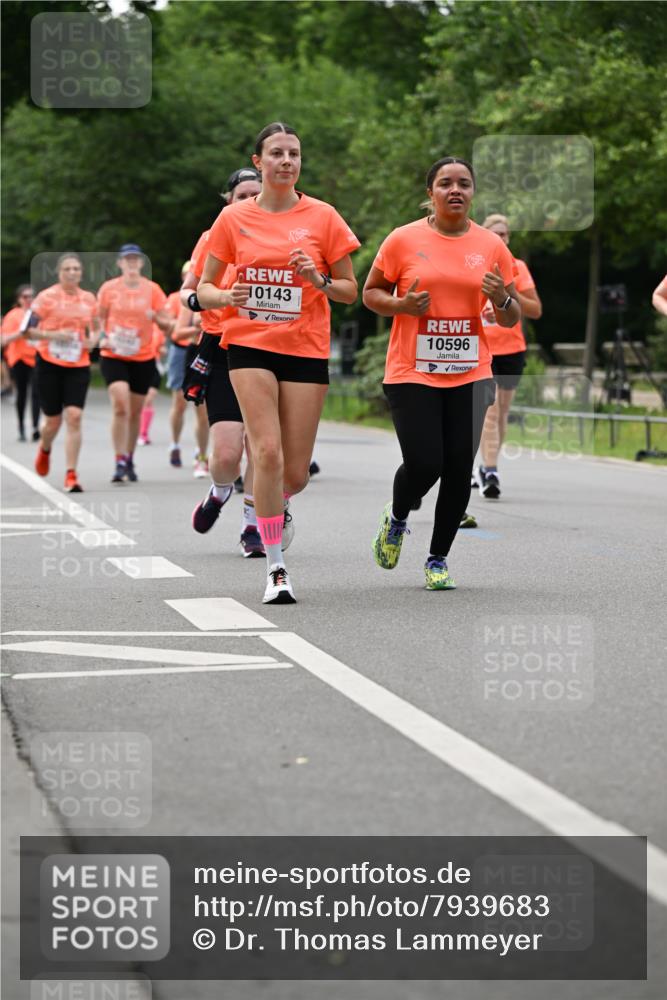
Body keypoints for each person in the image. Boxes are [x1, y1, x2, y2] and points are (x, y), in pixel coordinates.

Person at [198, 126, 360, 601]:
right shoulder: (234, 218)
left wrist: (318, 279)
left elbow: (350, 290)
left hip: (305, 348)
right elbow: (204, 288)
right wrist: (227, 296)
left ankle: (278, 502)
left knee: (294, 474)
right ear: (259, 160)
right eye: (276, 153)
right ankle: (275, 568)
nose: (286, 161)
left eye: (294, 154)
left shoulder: (323, 216)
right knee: (265, 452)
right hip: (249, 344)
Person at [363, 156, 520, 590]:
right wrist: (400, 305)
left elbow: (511, 316)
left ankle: (437, 559)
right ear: (430, 193)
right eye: (446, 183)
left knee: (457, 467)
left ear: (473, 193)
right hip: (412, 370)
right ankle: (397, 518)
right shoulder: (402, 239)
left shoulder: (491, 246)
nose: (455, 190)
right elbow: (371, 293)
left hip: (471, 371)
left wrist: (501, 299)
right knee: (425, 462)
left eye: (464, 184)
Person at [185, 167, 267, 556]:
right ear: (228, 201)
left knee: (261, 446)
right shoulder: (212, 236)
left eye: (256, 195)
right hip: (221, 347)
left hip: (269, 346)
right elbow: (189, 290)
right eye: (242, 196)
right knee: (227, 455)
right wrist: (206, 299)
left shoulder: (282, 233)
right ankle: (219, 490)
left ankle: (252, 525)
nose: (249, 202)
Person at [472, 213, 542, 499]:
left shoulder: (517, 266)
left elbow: (535, 309)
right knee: (489, 411)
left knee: (501, 413)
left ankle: (486, 466)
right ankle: (491, 471)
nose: (501, 238)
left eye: (505, 234)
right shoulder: (474, 262)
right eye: (495, 233)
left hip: (512, 348)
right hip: (482, 348)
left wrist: (506, 297)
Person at [97, 244, 171, 483]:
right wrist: (102, 337)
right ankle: (119, 459)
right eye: (126, 259)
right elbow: (98, 319)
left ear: (141, 263)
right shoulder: (109, 289)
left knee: (135, 411)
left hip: (143, 356)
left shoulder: (152, 289)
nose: (131, 263)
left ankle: (129, 457)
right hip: (114, 354)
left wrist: (155, 317)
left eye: (135, 259)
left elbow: (168, 323)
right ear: (119, 263)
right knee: (121, 405)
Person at [30, 254, 98, 492]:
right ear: (59, 273)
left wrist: (93, 341)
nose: (72, 272)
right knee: (52, 421)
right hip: (49, 363)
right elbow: (28, 330)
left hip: (78, 364)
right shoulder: (45, 297)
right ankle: (45, 448)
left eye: (76, 269)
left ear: (81, 273)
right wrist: (53, 335)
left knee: (74, 416)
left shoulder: (89, 299)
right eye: (67, 269)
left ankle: (71, 474)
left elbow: (97, 329)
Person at [1, 284, 40, 441]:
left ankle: (35, 427)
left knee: (37, 393)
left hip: (37, 357)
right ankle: (21, 426)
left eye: (31, 296)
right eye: (25, 296)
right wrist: (21, 333)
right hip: (19, 358)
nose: (29, 299)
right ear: (19, 299)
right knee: (22, 393)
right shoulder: (13, 315)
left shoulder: (39, 314)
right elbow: (4, 340)